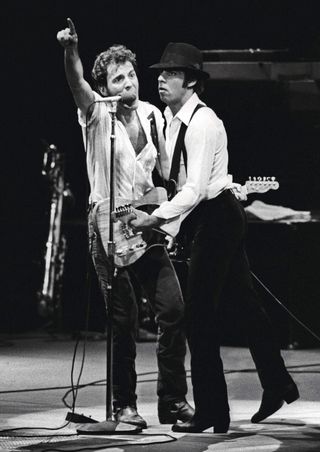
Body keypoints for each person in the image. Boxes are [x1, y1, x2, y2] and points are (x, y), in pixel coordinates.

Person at [129, 42, 299, 434]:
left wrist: (154, 220)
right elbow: (178, 186)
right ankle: (278, 383)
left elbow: (194, 190)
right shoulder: (171, 121)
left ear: (190, 80)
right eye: (160, 72)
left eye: (170, 73)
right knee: (246, 305)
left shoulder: (203, 123)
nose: (160, 78)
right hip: (208, 218)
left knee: (199, 317)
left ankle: (213, 413)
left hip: (217, 217)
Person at [56, 20, 195, 429]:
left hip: (145, 224)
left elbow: (168, 176)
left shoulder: (153, 116)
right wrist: (71, 49)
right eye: (119, 78)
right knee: (124, 319)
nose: (129, 83)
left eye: (131, 75)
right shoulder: (96, 113)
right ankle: (124, 406)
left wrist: (172, 210)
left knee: (173, 309)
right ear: (107, 87)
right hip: (107, 226)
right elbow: (76, 81)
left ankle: (173, 401)